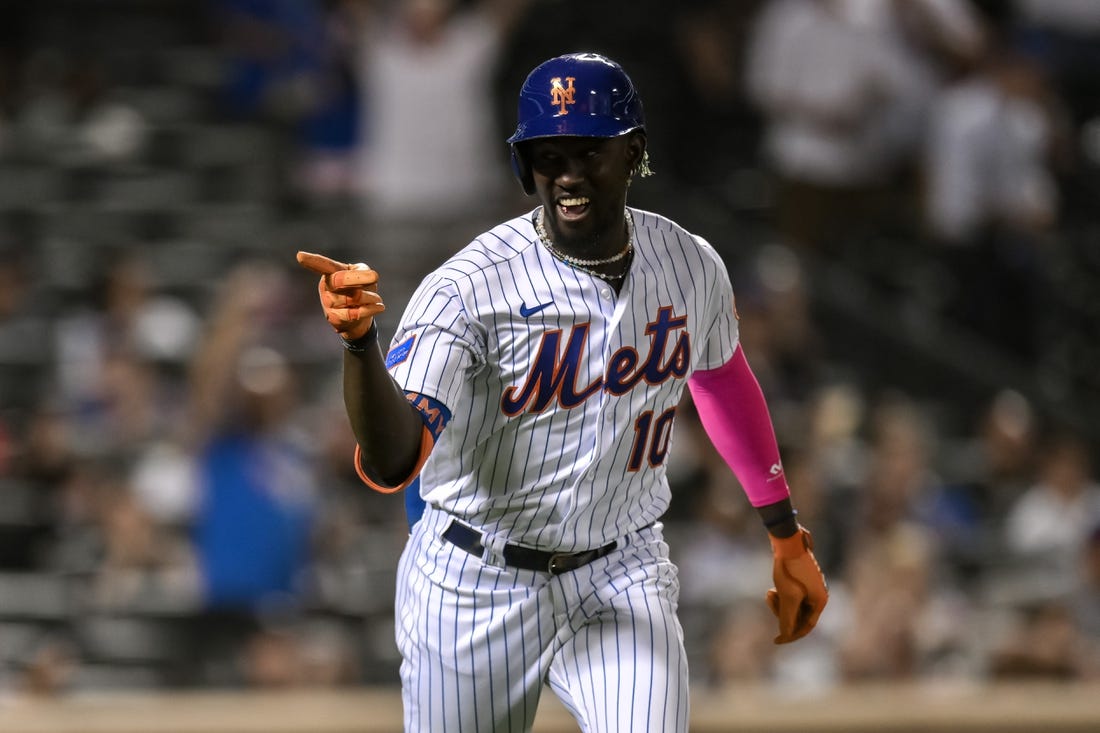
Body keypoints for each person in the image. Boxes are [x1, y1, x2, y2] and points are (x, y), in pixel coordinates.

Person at [297, 52, 827, 732]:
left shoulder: (690, 264)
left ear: (632, 152)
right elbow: (396, 459)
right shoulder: (467, 290)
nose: (568, 173)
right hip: (475, 578)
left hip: (620, 568)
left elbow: (722, 380)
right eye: (548, 155)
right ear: (526, 166)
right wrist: (359, 346)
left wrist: (785, 534)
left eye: (589, 151)